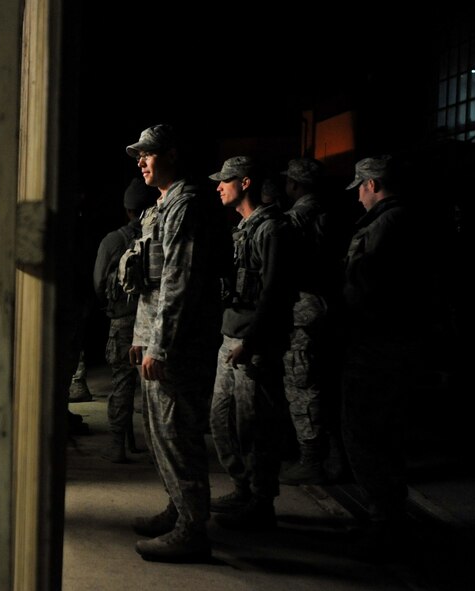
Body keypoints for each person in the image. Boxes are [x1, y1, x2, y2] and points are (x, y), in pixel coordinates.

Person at [122, 123, 225, 562]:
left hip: (180, 346)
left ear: (172, 155)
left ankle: (192, 530)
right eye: (139, 156)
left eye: (148, 154)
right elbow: (150, 284)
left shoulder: (187, 204)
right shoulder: (160, 206)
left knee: (177, 434)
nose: (142, 163)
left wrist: (160, 346)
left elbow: (179, 282)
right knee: (160, 434)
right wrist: (140, 336)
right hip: (157, 339)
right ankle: (178, 509)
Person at [340, 155, 425, 558]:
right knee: (378, 434)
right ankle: (384, 518)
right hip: (384, 343)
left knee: (368, 435)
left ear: (371, 184)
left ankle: (386, 523)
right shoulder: (401, 220)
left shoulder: (388, 224)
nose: (358, 196)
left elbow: (372, 285)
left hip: (378, 345)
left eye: (360, 187)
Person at [207, 156, 297, 531]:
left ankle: (261, 500)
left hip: (252, 343)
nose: (218, 187)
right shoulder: (244, 228)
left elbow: (275, 292)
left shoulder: (272, 229)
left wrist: (253, 340)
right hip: (232, 335)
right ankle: (243, 488)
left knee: (255, 424)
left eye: (225, 180)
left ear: (245, 183)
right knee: (222, 419)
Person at [276, 157, 342, 485]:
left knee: (302, 383)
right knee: (322, 381)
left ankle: (312, 459)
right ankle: (334, 457)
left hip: (304, 304)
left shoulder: (296, 218)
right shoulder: (331, 213)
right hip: (328, 302)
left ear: (295, 184)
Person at [93, 177, 157, 462]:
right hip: (152, 323)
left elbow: (98, 283)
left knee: (121, 384)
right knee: (152, 389)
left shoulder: (113, 241)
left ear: (128, 209)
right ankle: (155, 449)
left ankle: (118, 444)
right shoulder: (158, 237)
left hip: (121, 321)